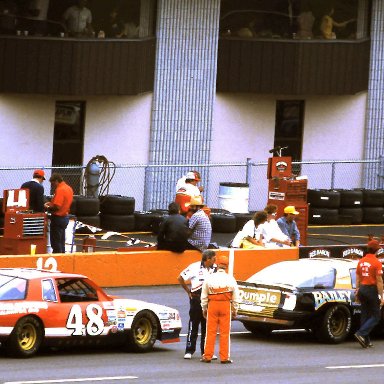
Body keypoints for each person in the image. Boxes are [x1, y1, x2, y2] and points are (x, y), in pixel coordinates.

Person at [177, 250, 217, 360]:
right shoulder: (194, 267)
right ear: (208, 259)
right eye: (214, 258)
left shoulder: (215, 268)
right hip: (196, 299)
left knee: (207, 326)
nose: (215, 260)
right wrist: (188, 292)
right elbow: (180, 277)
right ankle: (189, 350)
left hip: (210, 300)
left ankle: (206, 351)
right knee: (194, 324)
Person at [201, 254, 239, 364]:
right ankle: (224, 357)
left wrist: (204, 308)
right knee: (225, 333)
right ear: (226, 266)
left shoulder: (209, 278)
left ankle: (207, 356)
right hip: (225, 305)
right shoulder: (231, 279)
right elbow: (236, 297)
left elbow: (204, 296)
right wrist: (235, 310)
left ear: (217, 265)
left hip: (212, 305)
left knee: (210, 332)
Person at [354, 239, 384, 348]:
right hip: (371, 290)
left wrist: (357, 290)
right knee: (376, 316)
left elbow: (357, 277)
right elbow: (379, 281)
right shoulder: (377, 262)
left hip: (362, 289)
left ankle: (366, 340)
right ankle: (361, 333)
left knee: (365, 315)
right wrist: (381, 296)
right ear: (376, 250)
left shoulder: (361, 261)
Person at [44, 173, 73, 253]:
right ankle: (62, 257)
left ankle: (57, 258)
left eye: (53, 183)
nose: (52, 186)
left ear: (56, 181)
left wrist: (47, 207)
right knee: (61, 241)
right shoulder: (69, 188)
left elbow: (57, 206)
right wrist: (50, 203)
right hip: (65, 217)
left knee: (56, 242)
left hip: (58, 218)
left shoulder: (60, 189)